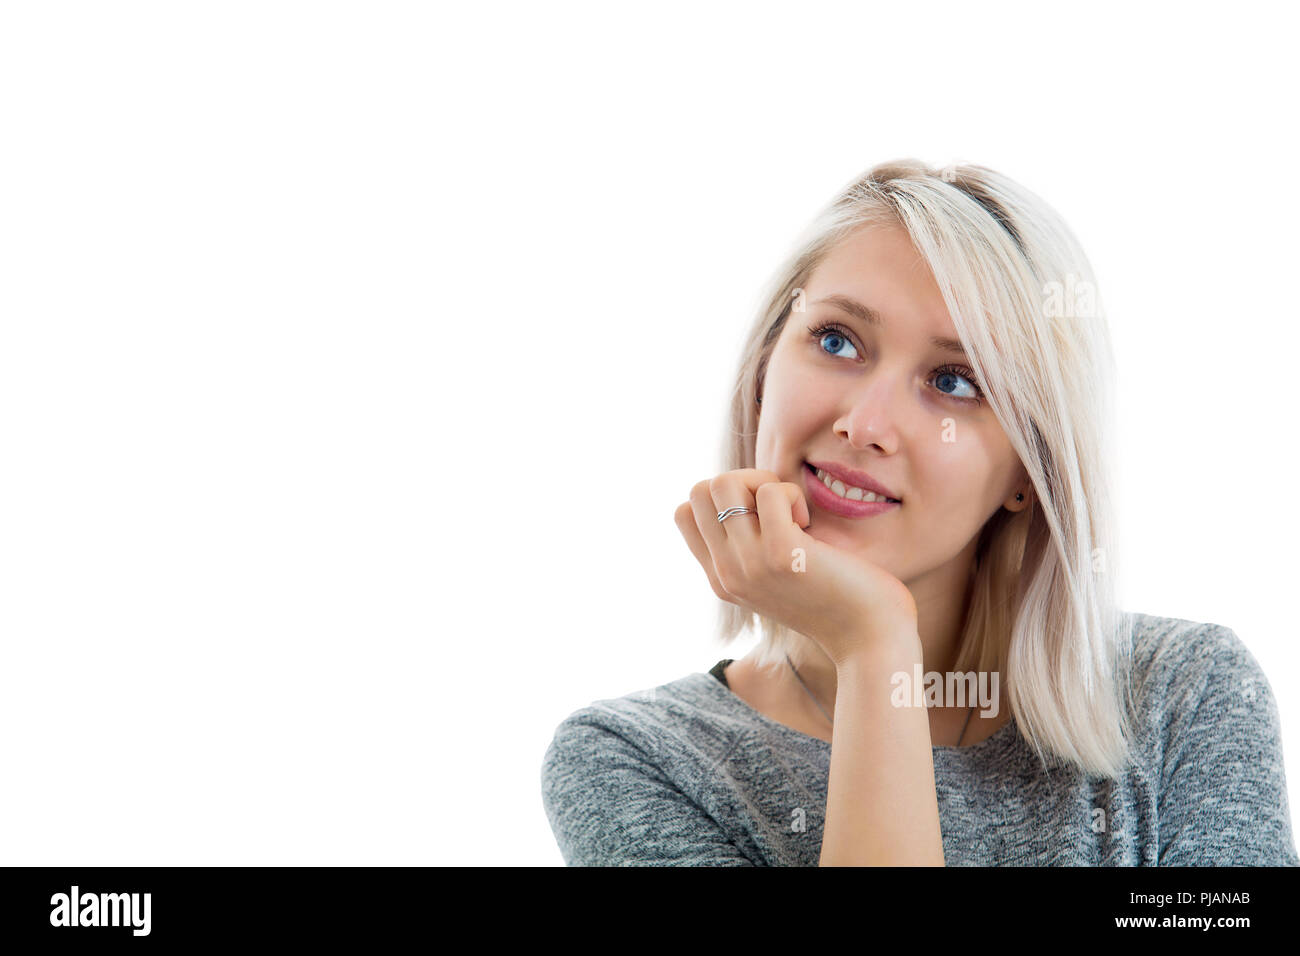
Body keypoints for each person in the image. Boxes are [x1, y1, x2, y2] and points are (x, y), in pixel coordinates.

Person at [539, 159, 1300, 865]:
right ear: (765, 366)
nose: (865, 424)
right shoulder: (636, 758)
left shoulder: (1184, 697)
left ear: (1029, 470)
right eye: (836, 339)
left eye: (954, 381)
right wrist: (875, 648)